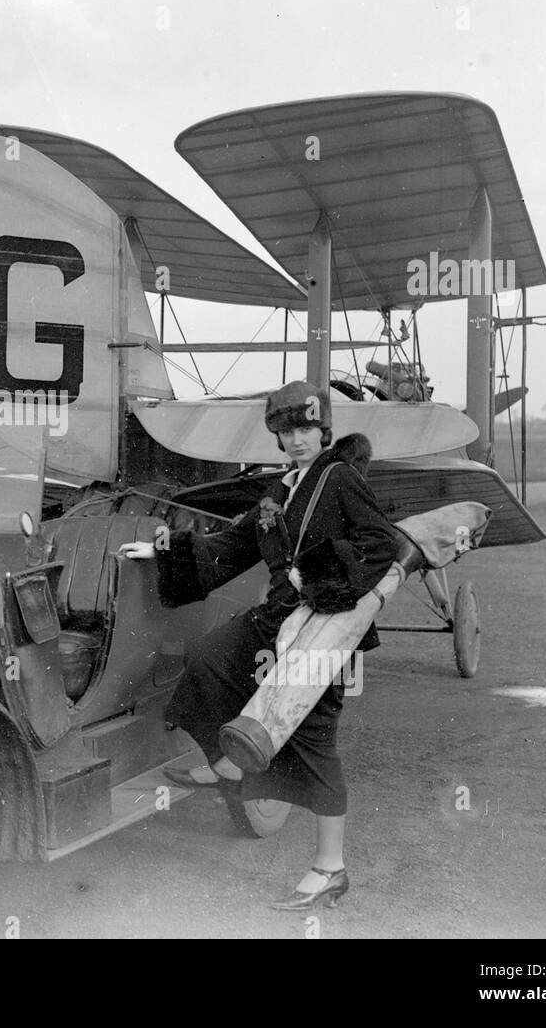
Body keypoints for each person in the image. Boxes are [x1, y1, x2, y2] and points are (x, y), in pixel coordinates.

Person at [117, 381, 400, 910]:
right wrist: (162, 548)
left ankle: (329, 869)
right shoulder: (279, 490)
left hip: (324, 625)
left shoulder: (339, 478)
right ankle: (229, 763)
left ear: (324, 430)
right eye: (287, 430)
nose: (297, 440)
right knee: (211, 658)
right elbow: (236, 543)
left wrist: (315, 577)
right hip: (274, 618)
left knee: (313, 739)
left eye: (306, 429)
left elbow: (381, 546)